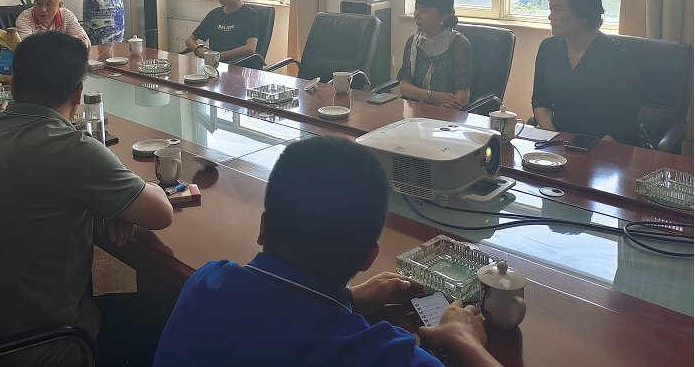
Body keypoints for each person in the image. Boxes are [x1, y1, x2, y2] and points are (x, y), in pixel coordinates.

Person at [154, 136, 502, 367]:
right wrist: (465, 341)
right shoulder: (378, 354)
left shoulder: (206, 282)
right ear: (368, 258)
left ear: (263, 227)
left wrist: (349, 299)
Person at [0, 32, 174, 366]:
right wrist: (113, 200)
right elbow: (161, 213)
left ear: (12, 86)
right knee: (175, 312)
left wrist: (107, 200)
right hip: (45, 348)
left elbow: (48, 188)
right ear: (78, 93)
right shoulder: (72, 150)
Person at [532, 0, 640, 145]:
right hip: (558, 142)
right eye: (550, 9)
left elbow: (624, 127)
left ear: (584, 15)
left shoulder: (616, 57)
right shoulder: (548, 47)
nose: (550, 17)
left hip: (602, 147)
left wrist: (586, 153)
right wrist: (552, 137)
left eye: (558, 9)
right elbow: (540, 101)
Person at [397, 0, 471, 110]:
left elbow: (463, 96)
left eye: (424, 11)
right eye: (416, 9)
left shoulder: (459, 44)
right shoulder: (414, 41)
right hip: (416, 110)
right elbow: (404, 86)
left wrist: (442, 110)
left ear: (443, 17)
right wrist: (430, 96)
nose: (416, 15)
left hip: (445, 112)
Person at [185, 0, 259, 62]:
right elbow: (190, 40)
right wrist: (199, 51)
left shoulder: (251, 15)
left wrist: (218, 56)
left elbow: (250, 48)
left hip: (239, 66)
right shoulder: (214, 15)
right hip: (214, 65)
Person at [15, 0, 91, 45]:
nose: (43, 10)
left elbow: (85, 42)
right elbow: (29, 48)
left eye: (49, 4)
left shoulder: (66, 16)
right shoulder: (24, 19)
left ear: (59, 6)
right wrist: (69, 40)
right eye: (38, 3)